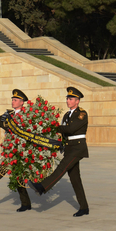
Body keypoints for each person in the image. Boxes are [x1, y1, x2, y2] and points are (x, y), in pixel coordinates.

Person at [28, 87, 90, 217]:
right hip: (69, 148)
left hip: (78, 148)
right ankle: (84, 207)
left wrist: (53, 126)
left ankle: (43, 187)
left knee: (61, 168)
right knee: (75, 179)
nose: (68, 100)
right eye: (67, 98)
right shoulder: (67, 114)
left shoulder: (82, 114)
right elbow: (64, 131)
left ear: (77, 101)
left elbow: (71, 129)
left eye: (71, 98)